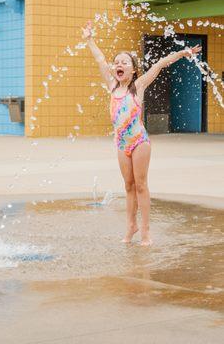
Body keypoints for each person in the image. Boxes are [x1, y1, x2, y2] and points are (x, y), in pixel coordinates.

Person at [82, 20, 202, 246]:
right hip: (121, 143)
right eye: (116, 62)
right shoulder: (111, 86)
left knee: (141, 185)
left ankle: (145, 230)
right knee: (127, 186)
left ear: (133, 69)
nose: (119, 64)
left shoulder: (139, 85)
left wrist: (183, 53)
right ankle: (131, 225)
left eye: (124, 62)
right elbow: (99, 59)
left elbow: (160, 64)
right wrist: (89, 39)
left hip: (139, 141)